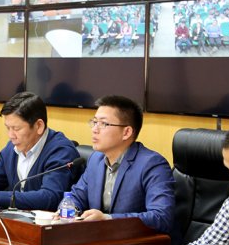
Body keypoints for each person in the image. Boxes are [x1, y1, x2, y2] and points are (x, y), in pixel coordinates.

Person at [66, 96, 175, 237]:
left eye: (103, 124)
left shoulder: (152, 164)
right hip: (100, 241)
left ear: (126, 132)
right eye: (94, 122)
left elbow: (162, 217)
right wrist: (67, 211)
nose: (94, 129)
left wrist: (107, 219)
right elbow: (76, 197)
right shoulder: (95, 159)